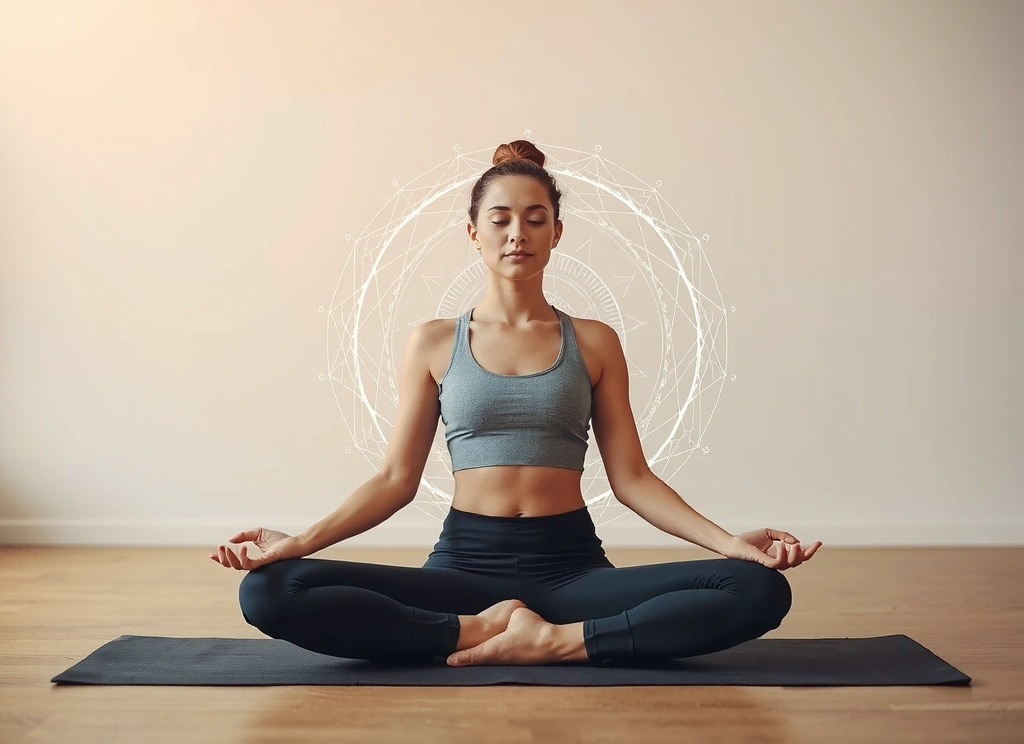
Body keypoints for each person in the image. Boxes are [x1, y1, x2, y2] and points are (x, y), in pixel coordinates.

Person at [210, 139, 822, 667]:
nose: (517, 234)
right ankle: (479, 629)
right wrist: (301, 544)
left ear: (557, 232)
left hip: (573, 570)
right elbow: (396, 480)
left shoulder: (594, 341)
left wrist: (730, 547)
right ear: (473, 232)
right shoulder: (433, 342)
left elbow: (633, 480)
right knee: (268, 590)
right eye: (500, 218)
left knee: (757, 589)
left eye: (535, 218)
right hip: (463, 568)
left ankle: (554, 641)